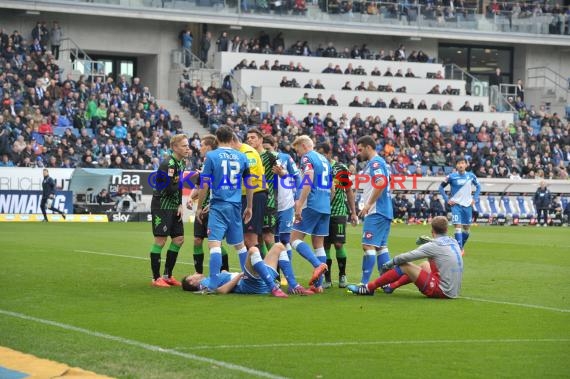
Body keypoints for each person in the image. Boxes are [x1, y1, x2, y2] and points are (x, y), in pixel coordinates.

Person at [346, 216, 463, 299]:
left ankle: (368, 288)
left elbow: (407, 257)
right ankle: (391, 287)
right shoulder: (453, 241)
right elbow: (440, 247)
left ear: (432, 231)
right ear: (447, 230)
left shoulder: (433, 246)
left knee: (404, 265)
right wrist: (429, 241)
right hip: (454, 290)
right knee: (424, 265)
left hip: (442, 291)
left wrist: (390, 264)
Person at [263, 136, 314, 295]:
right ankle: (275, 274)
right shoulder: (260, 160)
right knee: (271, 240)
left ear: (275, 146)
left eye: (268, 148)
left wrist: (298, 199)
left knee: (284, 240)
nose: (266, 151)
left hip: (285, 206)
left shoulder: (285, 158)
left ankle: (288, 277)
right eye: (264, 148)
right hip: (267, 205)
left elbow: (297, 177)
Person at [148, 134, 190, 288]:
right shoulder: (168, 164)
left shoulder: (182, 163)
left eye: (188, 145)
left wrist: (180, 204)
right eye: (184, 146)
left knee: (179, 239)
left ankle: (167, 275)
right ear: (175, 147)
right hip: (162, 206)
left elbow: (178, 187)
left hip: (173, 206)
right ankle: (156, 278)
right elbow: (168, 188)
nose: (187, 148)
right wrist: (186, 180)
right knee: (160, 240)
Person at [290, 135, 331, 293]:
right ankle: (318, 285)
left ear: (304, 145)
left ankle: (318, 265)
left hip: (312, 203)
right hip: (325, 205)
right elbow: (332, 187)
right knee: (318, 244)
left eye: (298, 150)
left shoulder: (308, 157)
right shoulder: (325, 160)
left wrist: (300, 202)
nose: (298, 154)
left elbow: (309, 177)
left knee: (294, 239)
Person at [186, 135, 230, 274]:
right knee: (197, 240)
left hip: (214, 208)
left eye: (202, 145)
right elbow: (199, 185)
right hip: (201, 208)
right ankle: (198, 273)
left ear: (209, 147)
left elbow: (224, 186)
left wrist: (212, 203)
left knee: (215, 242)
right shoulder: (204, 163)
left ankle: (225, 271)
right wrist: (190, 197)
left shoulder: (218, 162)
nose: (200, 148)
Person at [317, 142, 358, 288]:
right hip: (322, 212)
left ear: (329, 154)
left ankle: (342, 275)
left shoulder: (341, 169)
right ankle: (327, 278)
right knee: (325, 245)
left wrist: (353, 212)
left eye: (322, 153)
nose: (320, 156)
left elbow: (348, 191)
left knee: (339, 244)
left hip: (338, 211)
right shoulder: (317, 168)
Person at [181, 244, 289, 297]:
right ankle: (273, 287)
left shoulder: (209, 279)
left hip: (256, 281)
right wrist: (239, 275)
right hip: (250, 283)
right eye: (192, 275)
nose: (195, 273)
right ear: (191, 282)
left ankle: (292, 284)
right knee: (252, 250)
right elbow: (221, 291)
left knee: (278, 247)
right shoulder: (204, 284)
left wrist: (225, 273)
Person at [356, 136, 393, 285]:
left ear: (368, 147)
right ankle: (387, 283)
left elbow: (381, 182)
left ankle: (364, 283)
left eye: (360, 149)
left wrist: (368, 204)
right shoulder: (380, 163)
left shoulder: (375, 163)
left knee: (368, 245)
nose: (358, 153)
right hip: (385, 210)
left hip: (377, 210)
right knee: (381, 247)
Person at [229, 133, 266, 251]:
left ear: (231, 141)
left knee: (250, 239)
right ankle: (253, 269)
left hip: (254, 195)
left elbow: (251, 179)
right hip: (245, 196)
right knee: (246, 239)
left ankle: (257, 269)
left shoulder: (248, 153)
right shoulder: (239, 153)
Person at [439, 157, 481, 253]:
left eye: (463, 163)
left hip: (467, 205)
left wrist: (474, 199)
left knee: (466, 229)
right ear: (456, 165)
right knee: (458, 226)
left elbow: (479, 186)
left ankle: (460, 246)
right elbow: (440, 188)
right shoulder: (451, 176)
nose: (461, 165)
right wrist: (447, 199)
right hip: (456, 205)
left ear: (466, 165)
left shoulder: (471, 176)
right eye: (459, 163)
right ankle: (459, 249)